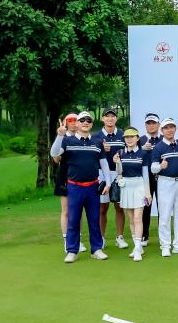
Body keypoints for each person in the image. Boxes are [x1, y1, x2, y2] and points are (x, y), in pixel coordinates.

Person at [50, 112, 110, 263]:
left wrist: (108, 183)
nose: (85, 122)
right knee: (73, 220)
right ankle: (72, 250)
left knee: (94, 220)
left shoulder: (97, 142)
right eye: (82, 120)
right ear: (76, 124)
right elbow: (54, 153)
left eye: (88, 120)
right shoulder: (67, 140)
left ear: (91, 124)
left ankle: (96, 249)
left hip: (93, 187)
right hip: (74, 187)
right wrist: (60, 136)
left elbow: (103, 163)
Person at [151, 118, 178, 256]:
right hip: (165, 182)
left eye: (172, 127)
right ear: (162, 130)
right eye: (166, 128)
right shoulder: (158, 147)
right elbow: (153, 168)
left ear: (175, 129)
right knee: (165, 215)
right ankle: (165, 246)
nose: (169, 130)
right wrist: (160, 166)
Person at [113, 127, 152, 261]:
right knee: (131, 220)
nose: (129, 139)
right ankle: (137, 247)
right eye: (126, 137)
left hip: (139, 186)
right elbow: (119, 173)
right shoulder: (120, 153)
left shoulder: (143, 154)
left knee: (137, 219)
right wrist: (117, 162)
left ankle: (137, 249)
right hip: (126, 187)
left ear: (137, 138)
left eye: (131, 137)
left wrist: (148, 193)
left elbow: (145, 175)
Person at [53, 113, 87, 254]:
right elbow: (56, 159)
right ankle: (67, 241)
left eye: (76, 120)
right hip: (65, 178)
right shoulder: (63, 138)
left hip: (80, 178)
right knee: (66, 211)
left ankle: (77, 240)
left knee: (78, 211)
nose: (73, 123)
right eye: (70, 120)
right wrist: (60, 136)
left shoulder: (83, 138)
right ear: (66, 123)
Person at [97, 108, 127, 249]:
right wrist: (102, 150)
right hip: (102, 174)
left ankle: (119, 237)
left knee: (119, 207)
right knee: (102, 208)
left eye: (113, 116)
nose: (110, 118)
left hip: (118, 174)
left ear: (116, 118)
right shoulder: (96, 136)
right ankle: (101, 238)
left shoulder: (122, 135)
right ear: (103, 119)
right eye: (107, 116)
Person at [139, 113, 161, 248]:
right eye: (149, 123)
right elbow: (132, 153)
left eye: (154, 123)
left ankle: (162, 236)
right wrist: (142, 148)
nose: (151, 125)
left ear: (158, 125)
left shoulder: (164, 139)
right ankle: (144, 235)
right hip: (145, 179)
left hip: (162, 178)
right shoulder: (140, 140)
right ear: (145, 125)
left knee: (162, 207)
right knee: (145, 207)